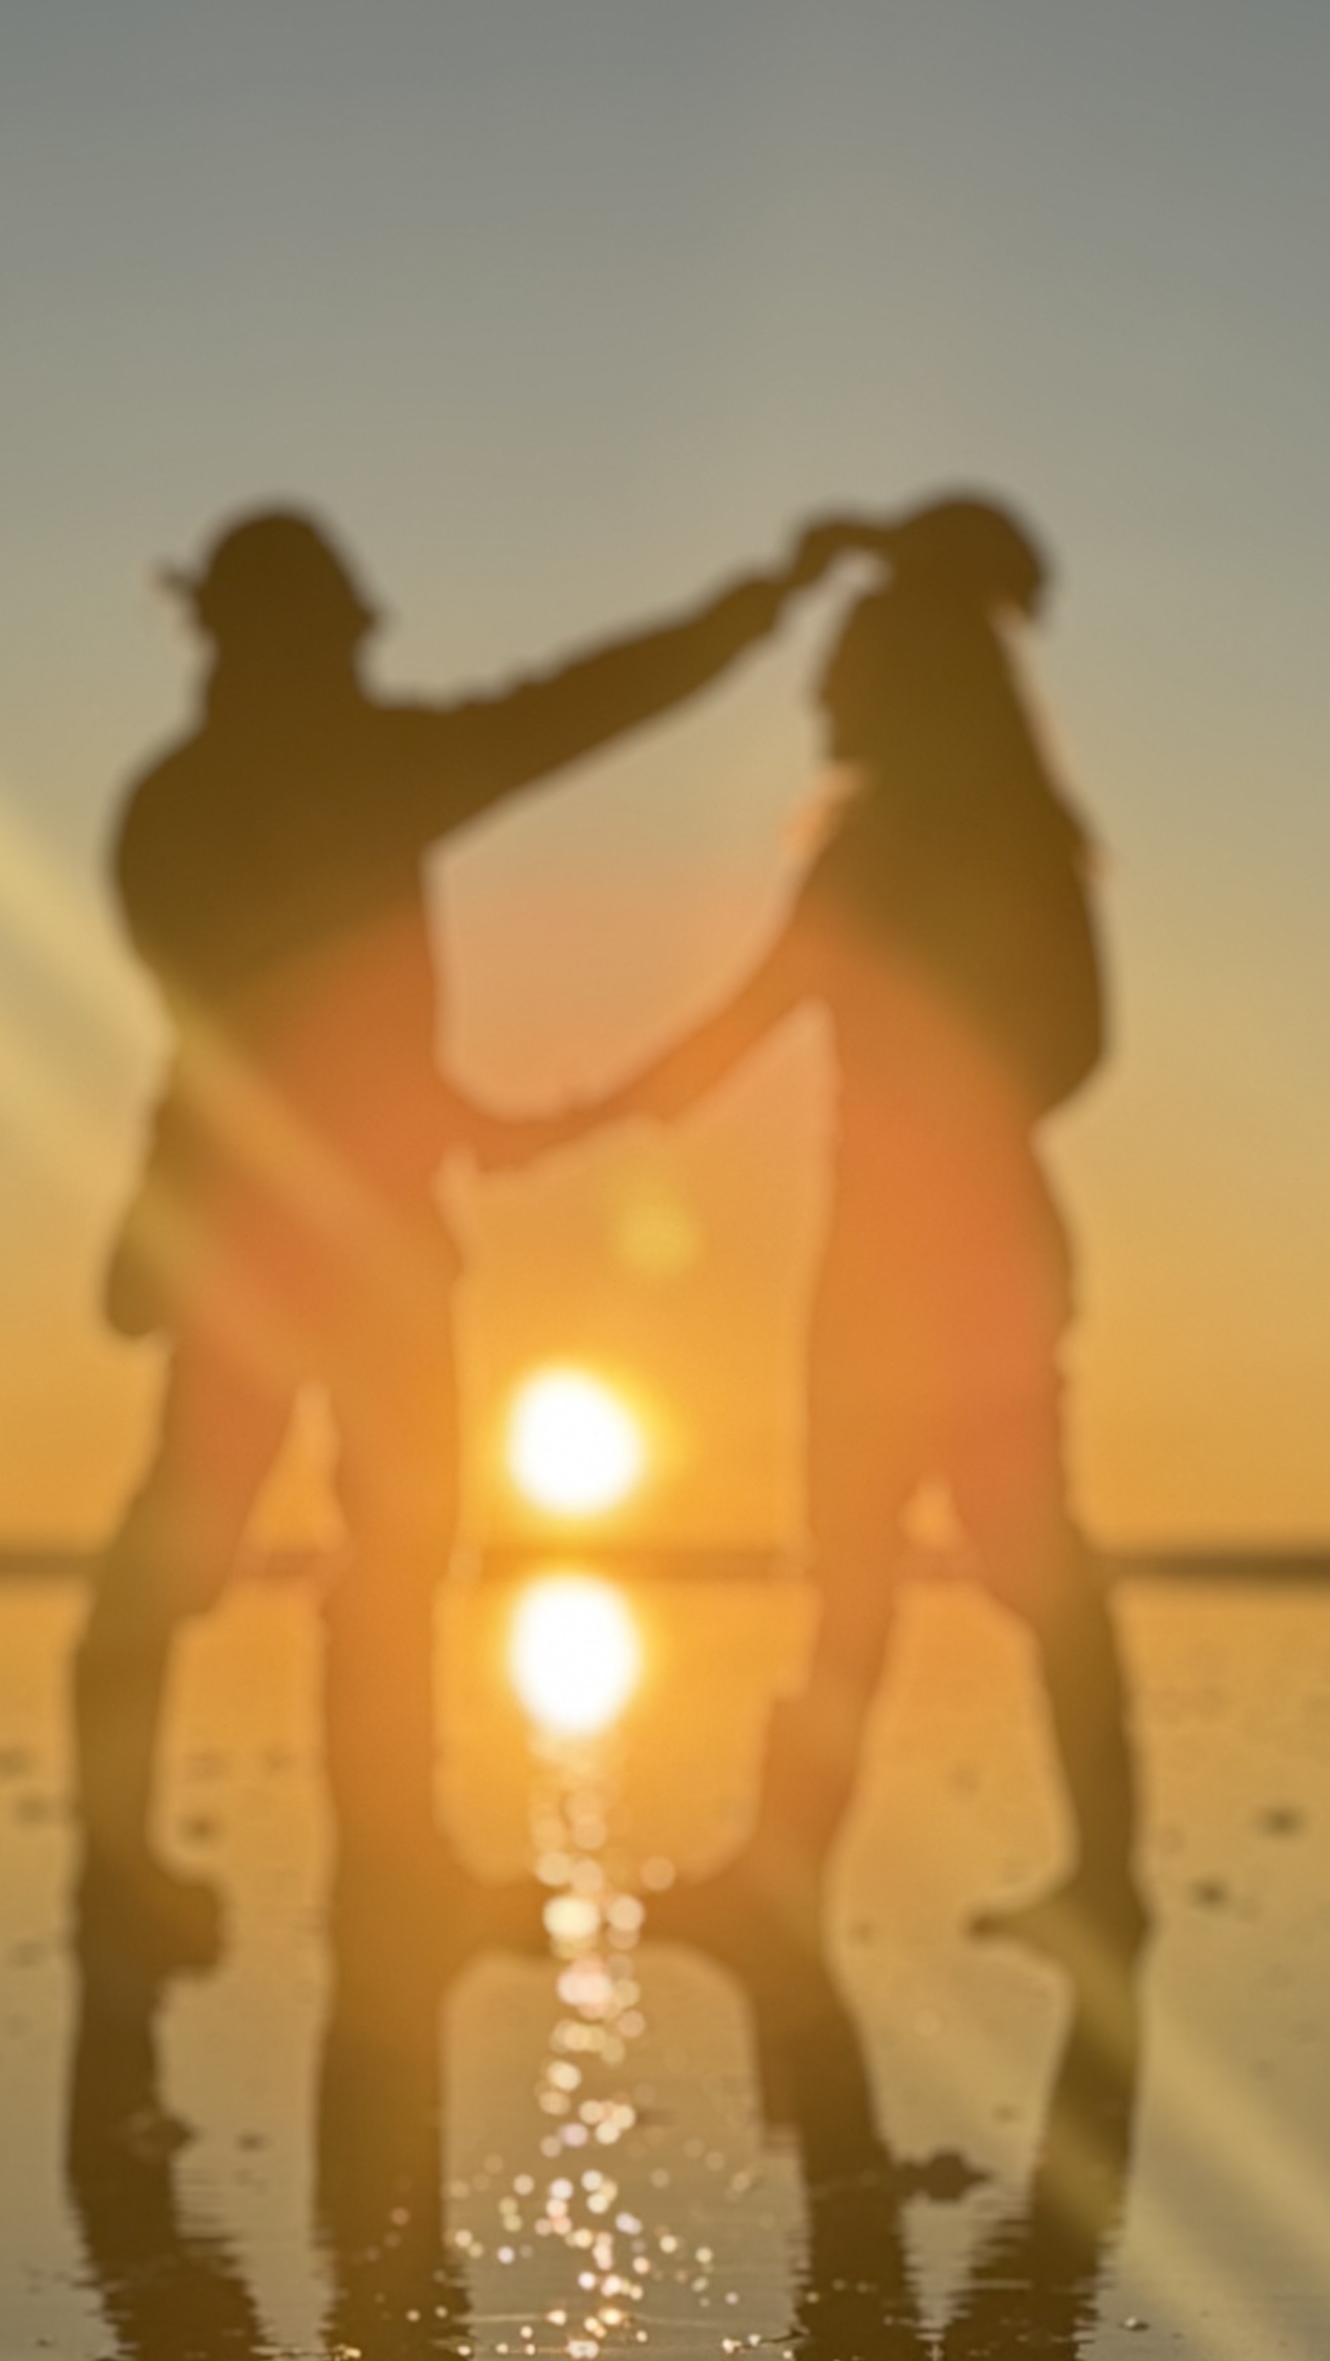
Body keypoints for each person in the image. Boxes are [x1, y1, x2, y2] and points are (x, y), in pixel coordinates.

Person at [75, 502, 861, 1965]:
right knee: (315, 1552)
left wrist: (427, 1111)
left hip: (272, 1228)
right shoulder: (356, 777)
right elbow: (581, 708)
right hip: (336, 1240)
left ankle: (225, 1869)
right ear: (287, 643)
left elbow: (242, 1022)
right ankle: (332, 1872)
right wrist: (764, 602)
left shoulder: (169, 808)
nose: (364, 663)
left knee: (287, 1545)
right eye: (343, 640)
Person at [483, 492, 1143, 1963]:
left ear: (905, 682)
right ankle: (862, 1881)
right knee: (909, 1571)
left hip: (937, 1257)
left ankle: (1054, 1884)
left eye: (841, 669)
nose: (815, 698)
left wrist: (554, 1128)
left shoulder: (919, 851)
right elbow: (758, 1035)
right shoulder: (973, 841)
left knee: (977, 1566)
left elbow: (749, 1032)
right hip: (921, 1252)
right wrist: (559, 1127)